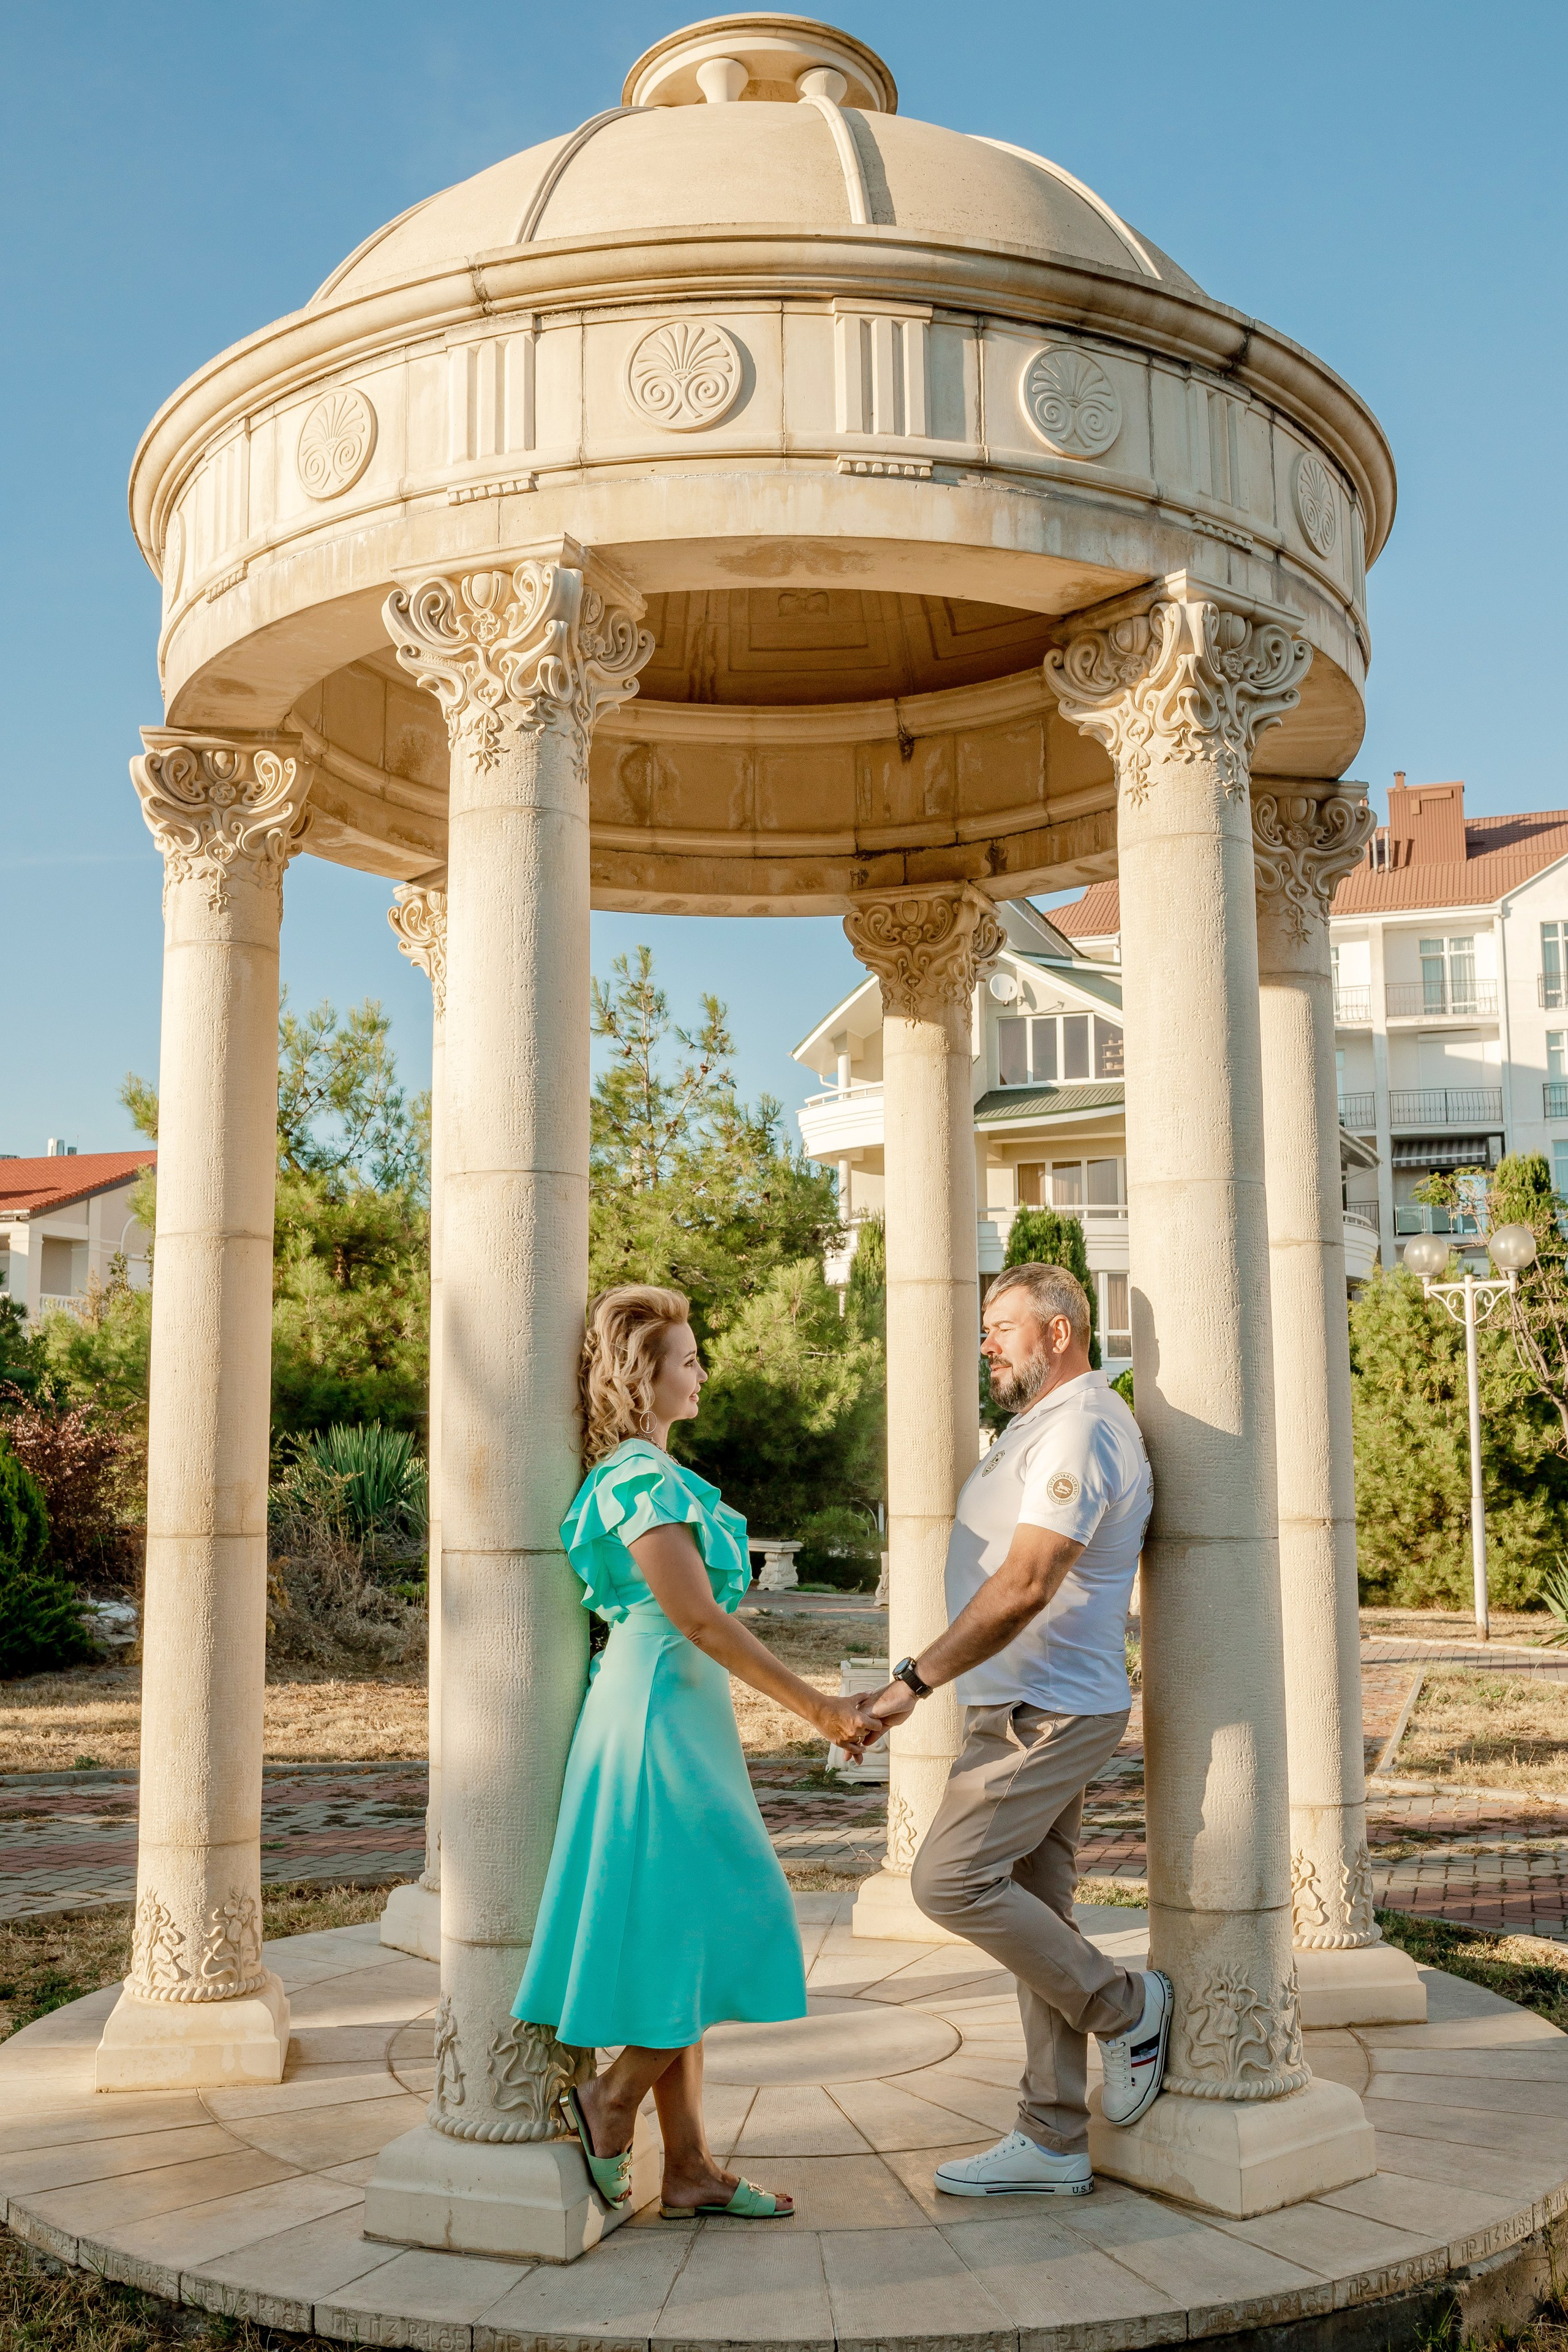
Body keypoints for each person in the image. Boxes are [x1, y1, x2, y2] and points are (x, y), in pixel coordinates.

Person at [513, 1283, 884, 2222]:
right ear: (645, 1380)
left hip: (678, 1717)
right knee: (738, 1913)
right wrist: (822, 1709)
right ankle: (610, 2100)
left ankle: (688, 2169)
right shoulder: (638, 1480)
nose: (702, 1370)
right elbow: (696, 1619)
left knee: (678, 1938)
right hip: (653, 1722)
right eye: (687, 1358)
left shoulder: (653, 1477)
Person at [865, 1260, 1168, 2199]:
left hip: (1051, 1710)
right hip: (1016, 1704)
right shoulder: (1036, 1427)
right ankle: (1052, 2138)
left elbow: (1030, 1582)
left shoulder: (1081, 1426)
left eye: (1002, 1326)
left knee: (948, 1880)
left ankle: (1128, 2009)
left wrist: (914, 1679)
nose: (987, 1343)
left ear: (1060, 1331)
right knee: (1037, 1916)